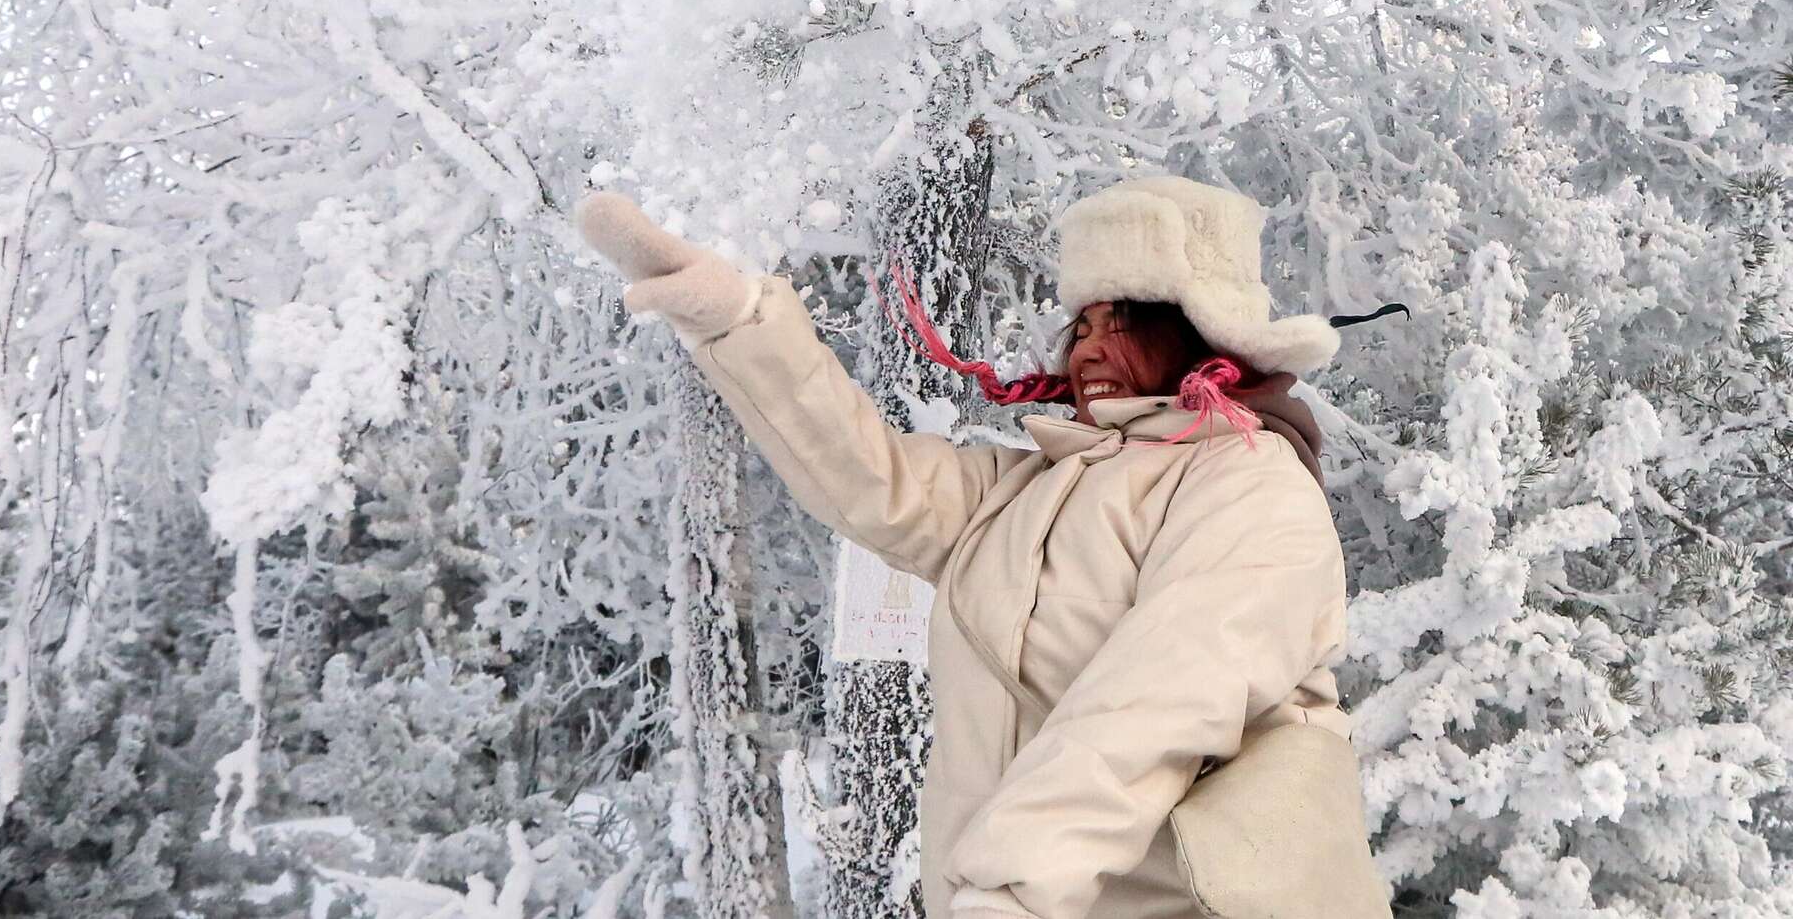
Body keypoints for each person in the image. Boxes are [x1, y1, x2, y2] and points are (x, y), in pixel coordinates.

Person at [576, 175, 1371, 919]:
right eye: (1081, 326)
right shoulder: (1025, 491)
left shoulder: (1251, 483)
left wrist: (1009, 888)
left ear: (1195, 332)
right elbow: (869, 477)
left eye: (1120, 324)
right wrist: (737, 320)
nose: (1087, 349)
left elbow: (1158, 700)